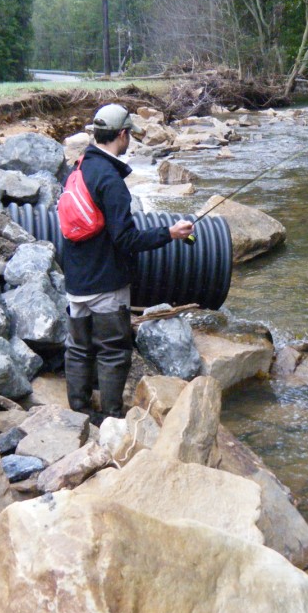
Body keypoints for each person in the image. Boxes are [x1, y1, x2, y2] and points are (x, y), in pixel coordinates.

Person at [61, 104, 194, 424]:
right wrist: (170, 233)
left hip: (76, 282)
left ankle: (78, 412)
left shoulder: (78, 168)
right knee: (113, 351)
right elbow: (127, 240)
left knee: (78, 348)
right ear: (122, 134)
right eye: (129, 134)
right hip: (106, 283)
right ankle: (109, 418)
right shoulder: (111, 180)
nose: (130, 140)